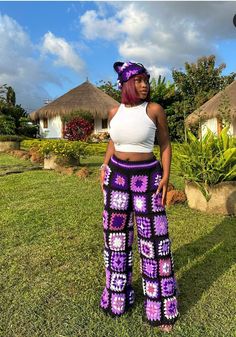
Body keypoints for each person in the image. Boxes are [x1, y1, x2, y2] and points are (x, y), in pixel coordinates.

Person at [99, 61, 179, 333]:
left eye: (146, 80)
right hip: (117, 177)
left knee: (155, 242)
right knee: (116, 239)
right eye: (139, 81)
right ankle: (117, 298)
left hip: (148, 178)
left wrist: (166, 177)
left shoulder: (154, 110)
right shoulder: (114, 112)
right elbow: (114, 141)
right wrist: (103, 167)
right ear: (126, 84)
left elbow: (165, 143)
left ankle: (161, 306)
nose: (145, 85)